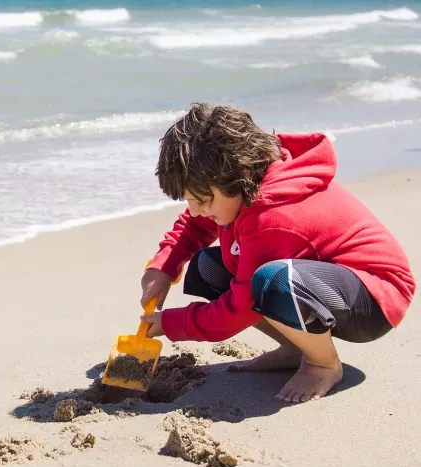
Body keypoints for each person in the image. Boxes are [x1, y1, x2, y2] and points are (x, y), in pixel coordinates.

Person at [138, 103, 415, 403]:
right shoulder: (241, 188)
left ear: (238, 175)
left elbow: (237, 310)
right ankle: (297, 347)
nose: (195, 210)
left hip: (373, 298)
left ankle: (322, 363)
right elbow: (193, 226)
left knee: (271, 282)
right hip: (320, 283)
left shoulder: (271, 219)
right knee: (208, 268)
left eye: (202, 200)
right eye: (190, 199)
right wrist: (163, 267)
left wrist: (171, 323)